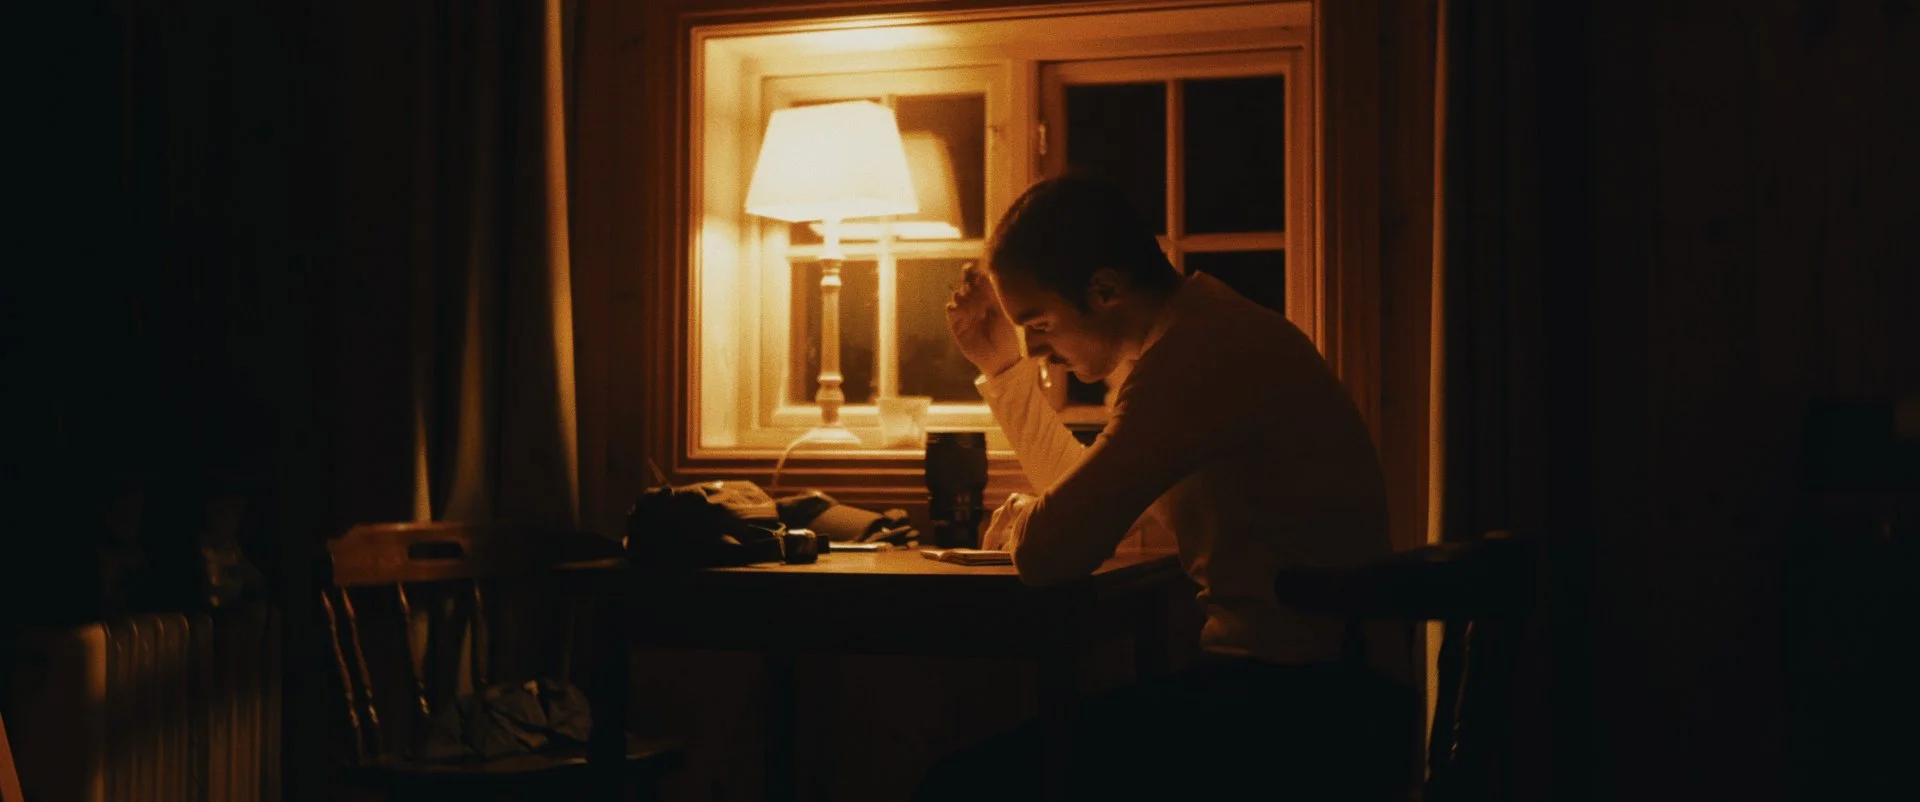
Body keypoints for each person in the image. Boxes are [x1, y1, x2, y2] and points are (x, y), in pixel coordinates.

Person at [916, 175, 1415, 801]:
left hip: (1307, 711)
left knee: (961, 787)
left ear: (1104, 290)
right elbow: (1097, 512)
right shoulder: (1200, 332)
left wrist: (1033, 521)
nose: (1035, 347)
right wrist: (1004, 371)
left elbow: (1050, 552)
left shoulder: (1195, 356)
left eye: (1038, 323)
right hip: (1319, 687)